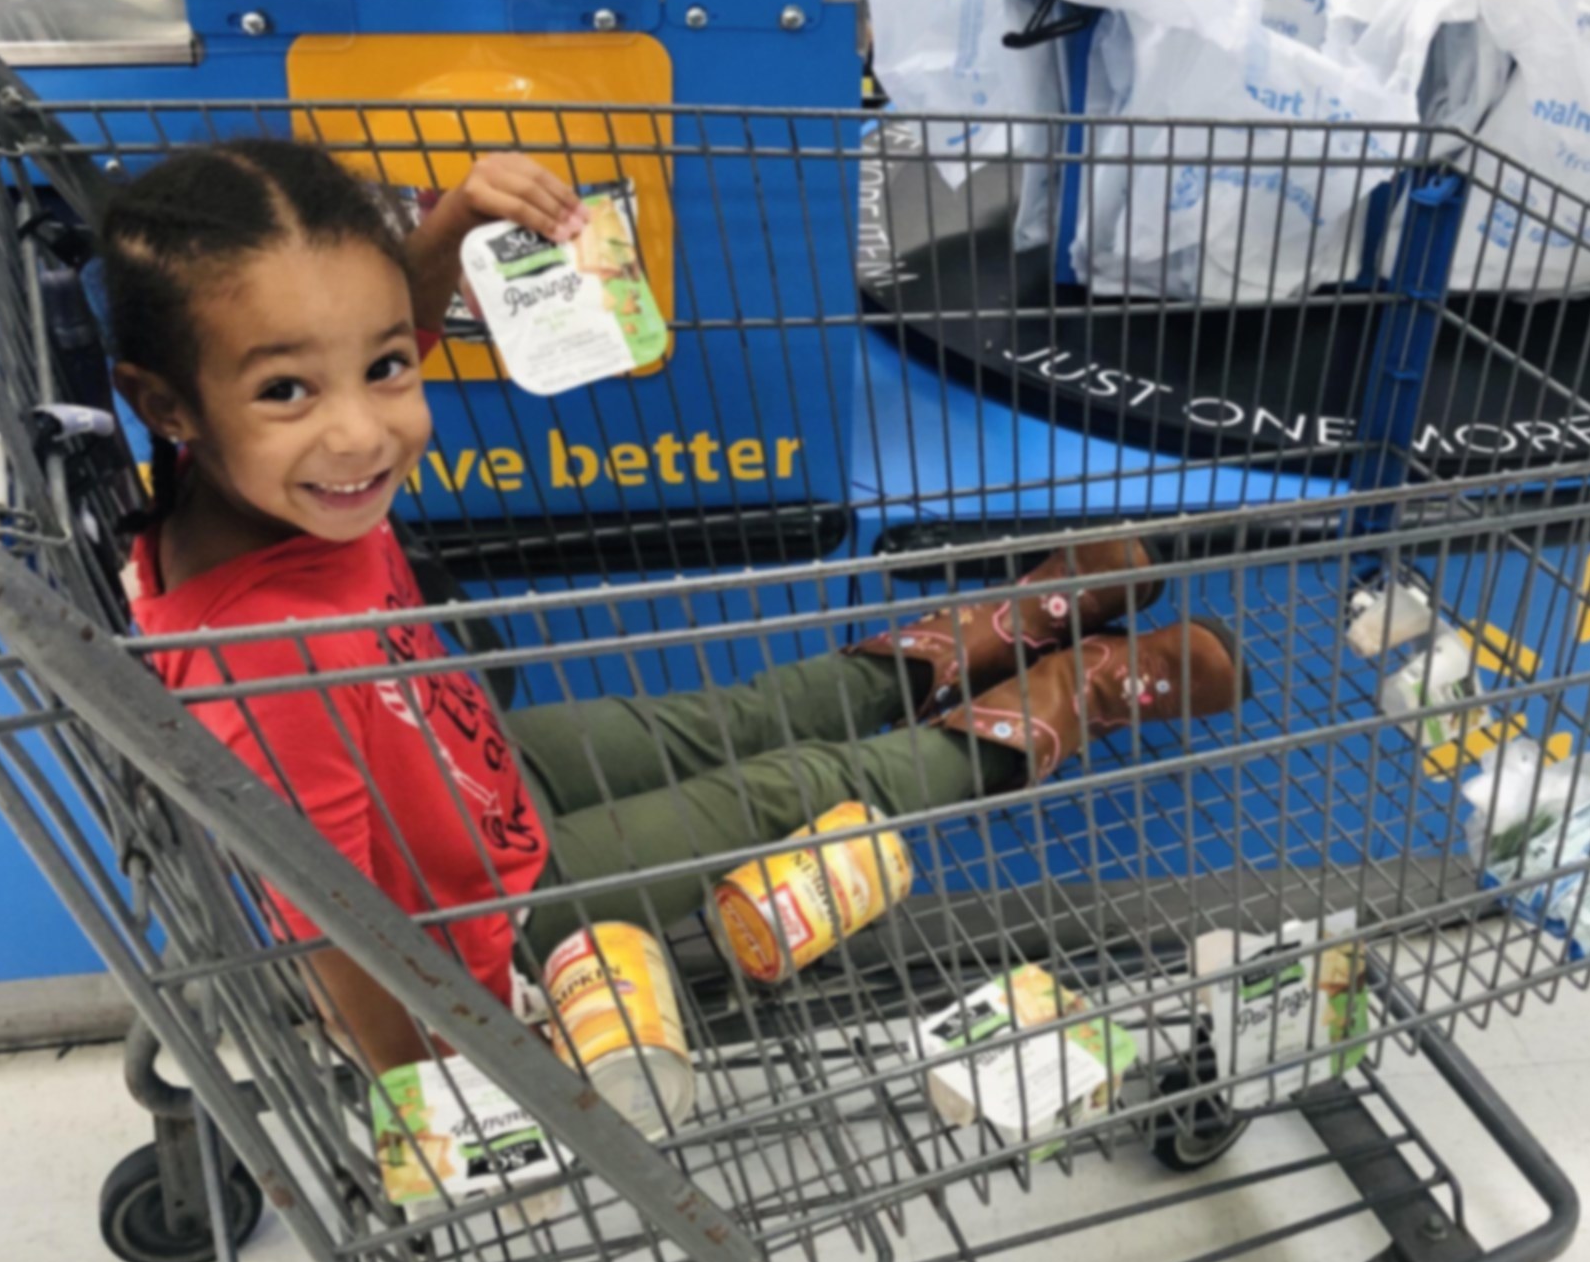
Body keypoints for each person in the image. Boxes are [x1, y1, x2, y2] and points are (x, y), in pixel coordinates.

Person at [104, 137, 1246, 1077]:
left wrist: (451, 220)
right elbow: (333, 921)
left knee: (755, 707)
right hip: (499, 912)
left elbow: (372, 321)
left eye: (387, 370)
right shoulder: (250, 664)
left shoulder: (268, 491)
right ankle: (1078, 691)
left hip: (479, 768)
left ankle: (1003, 627)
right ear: (166, 404)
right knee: (797, 790)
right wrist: (432, 1091)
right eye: (287, 390)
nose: (360, 431)